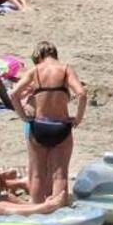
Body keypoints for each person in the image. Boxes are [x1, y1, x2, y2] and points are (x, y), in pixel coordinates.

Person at [12, 41, 87, 202]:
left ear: (39, 55)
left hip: (39, 125)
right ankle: (57, 211)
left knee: (37, 174)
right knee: (60, 175)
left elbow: (13, 94)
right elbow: (81, 94)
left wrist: (23, 117)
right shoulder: (66, 69)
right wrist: (78, 118)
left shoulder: (36, 71)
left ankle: (36, 210)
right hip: (61, 126)